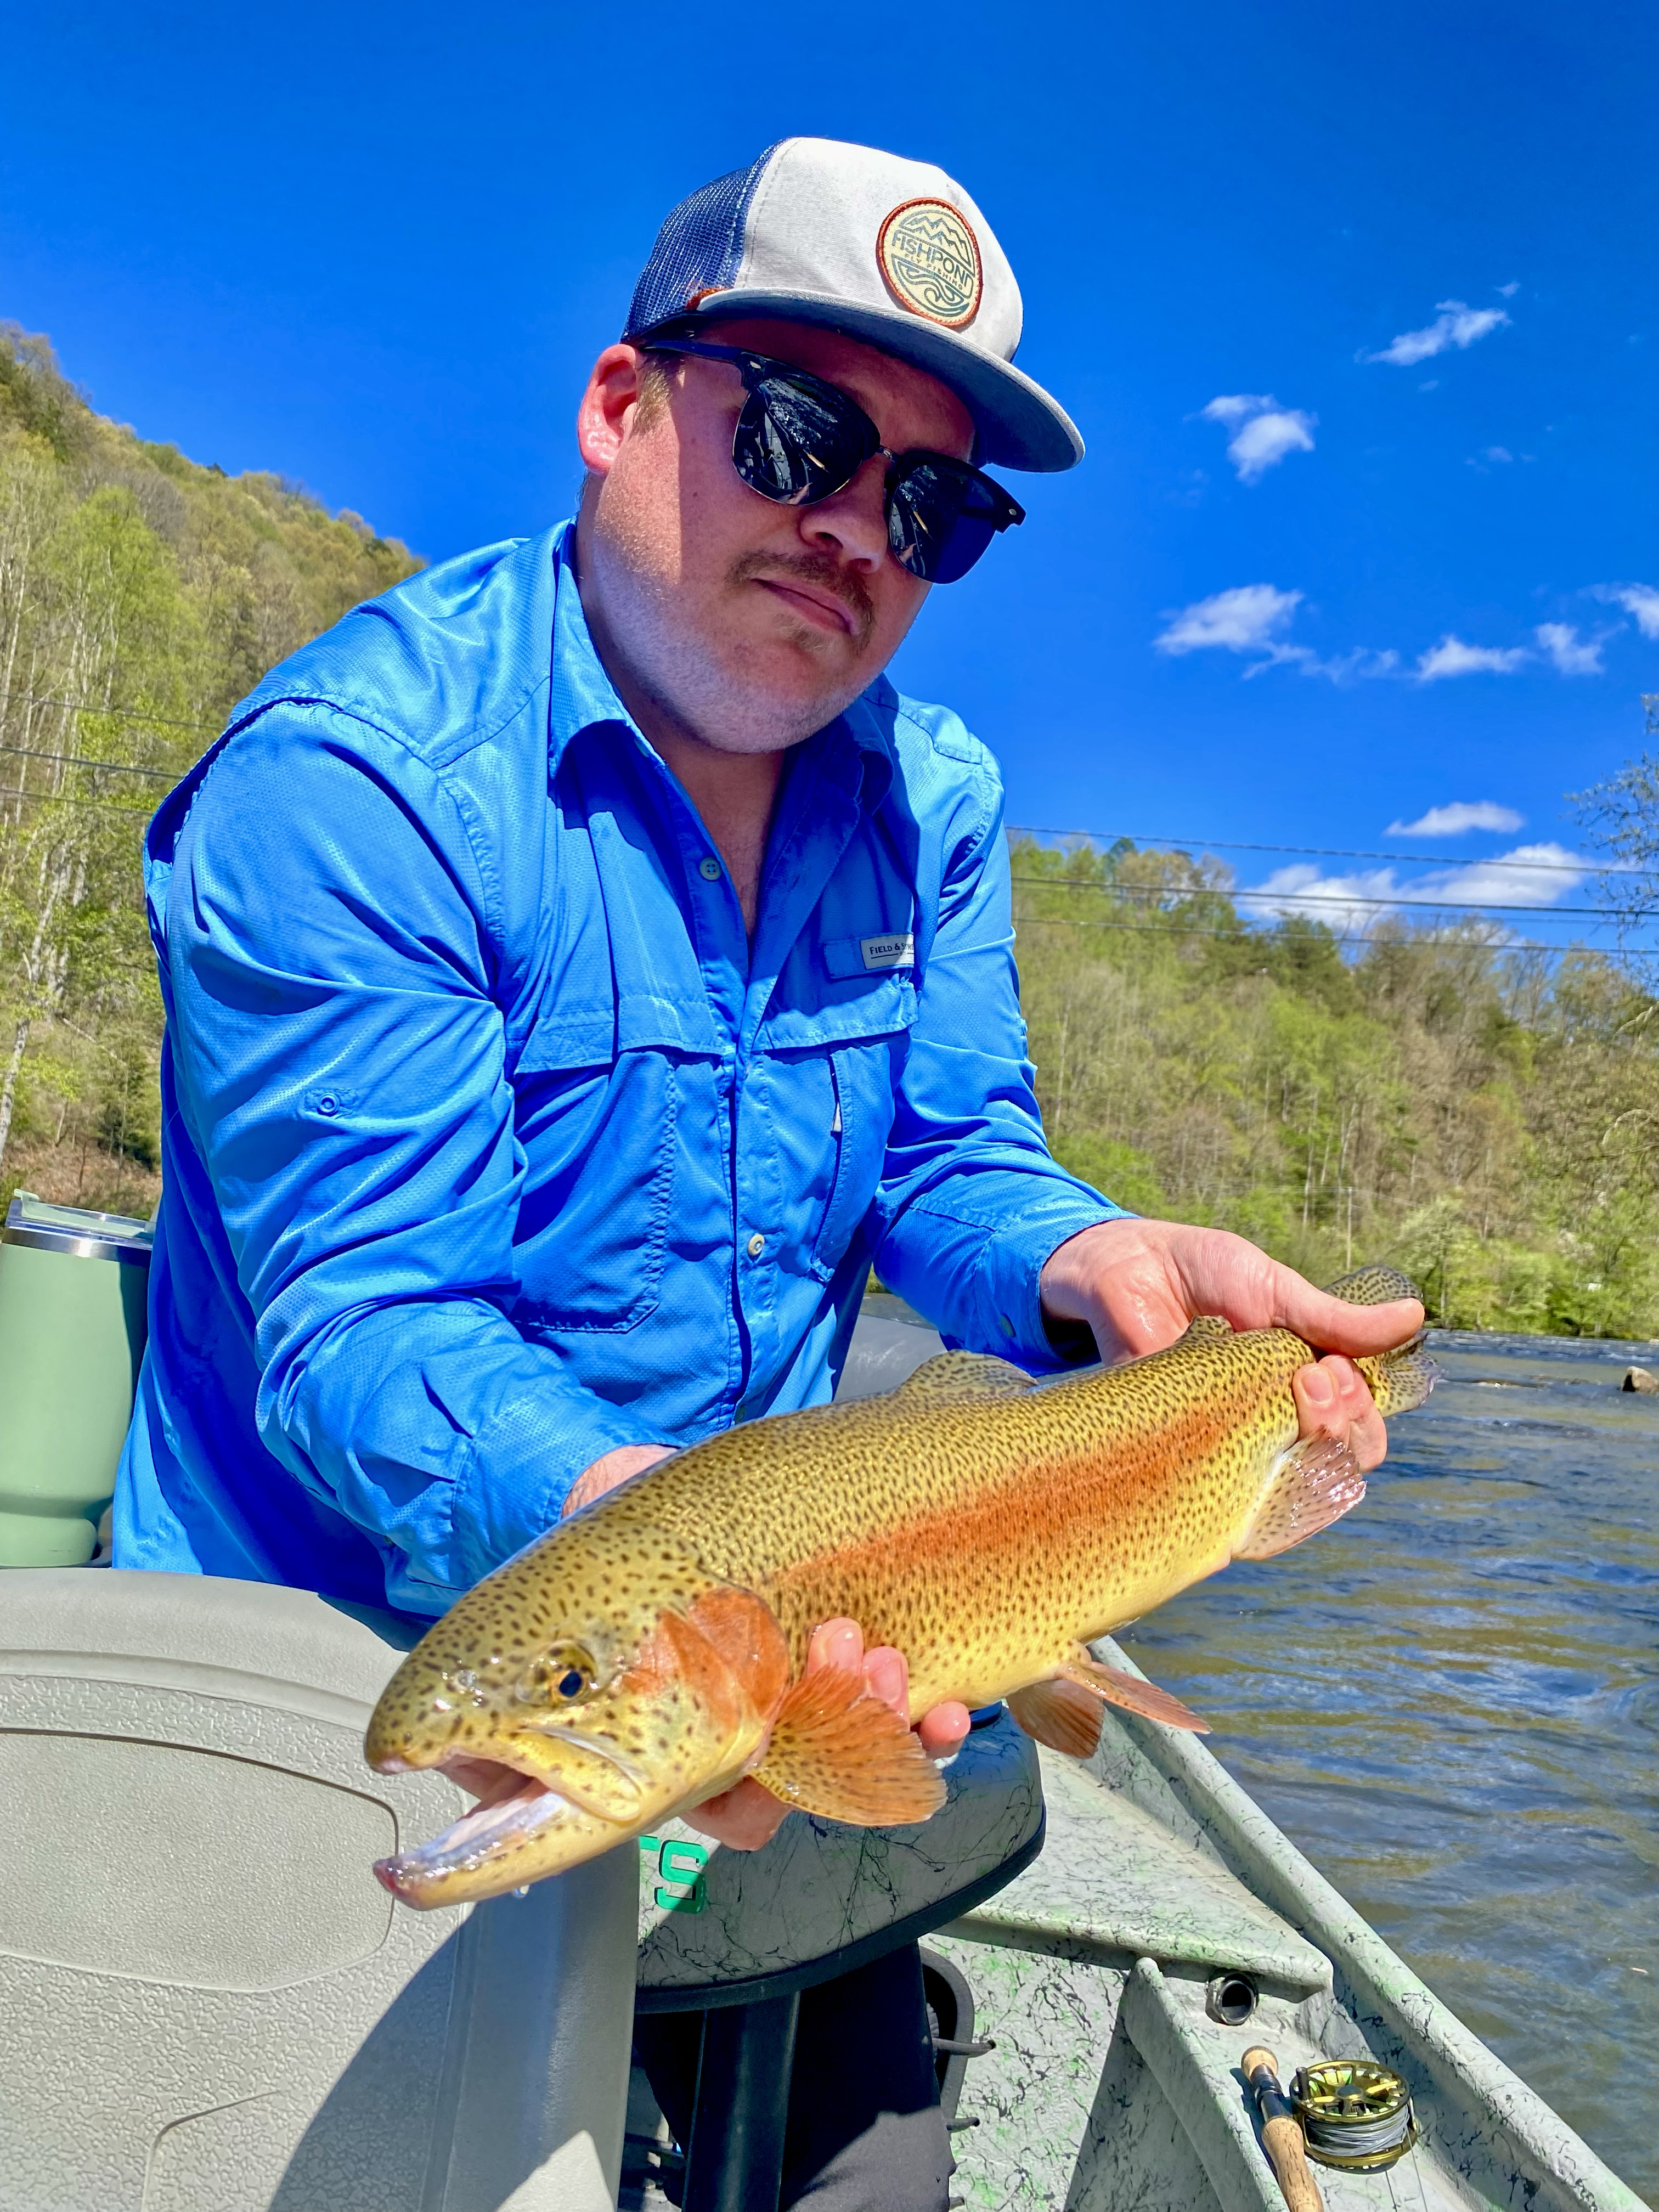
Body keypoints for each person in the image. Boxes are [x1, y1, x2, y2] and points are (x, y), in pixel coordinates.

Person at [114, 138, 1422, 2210]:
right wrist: (660, 1594)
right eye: (806, 433)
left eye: (933, 504)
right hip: (371, 1648)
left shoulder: (940, 797)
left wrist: (1100, 1262)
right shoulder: (355, 790)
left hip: (788, 1647)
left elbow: (950, 1158)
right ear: (623, 408)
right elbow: (363, 1326)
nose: (854, 534)